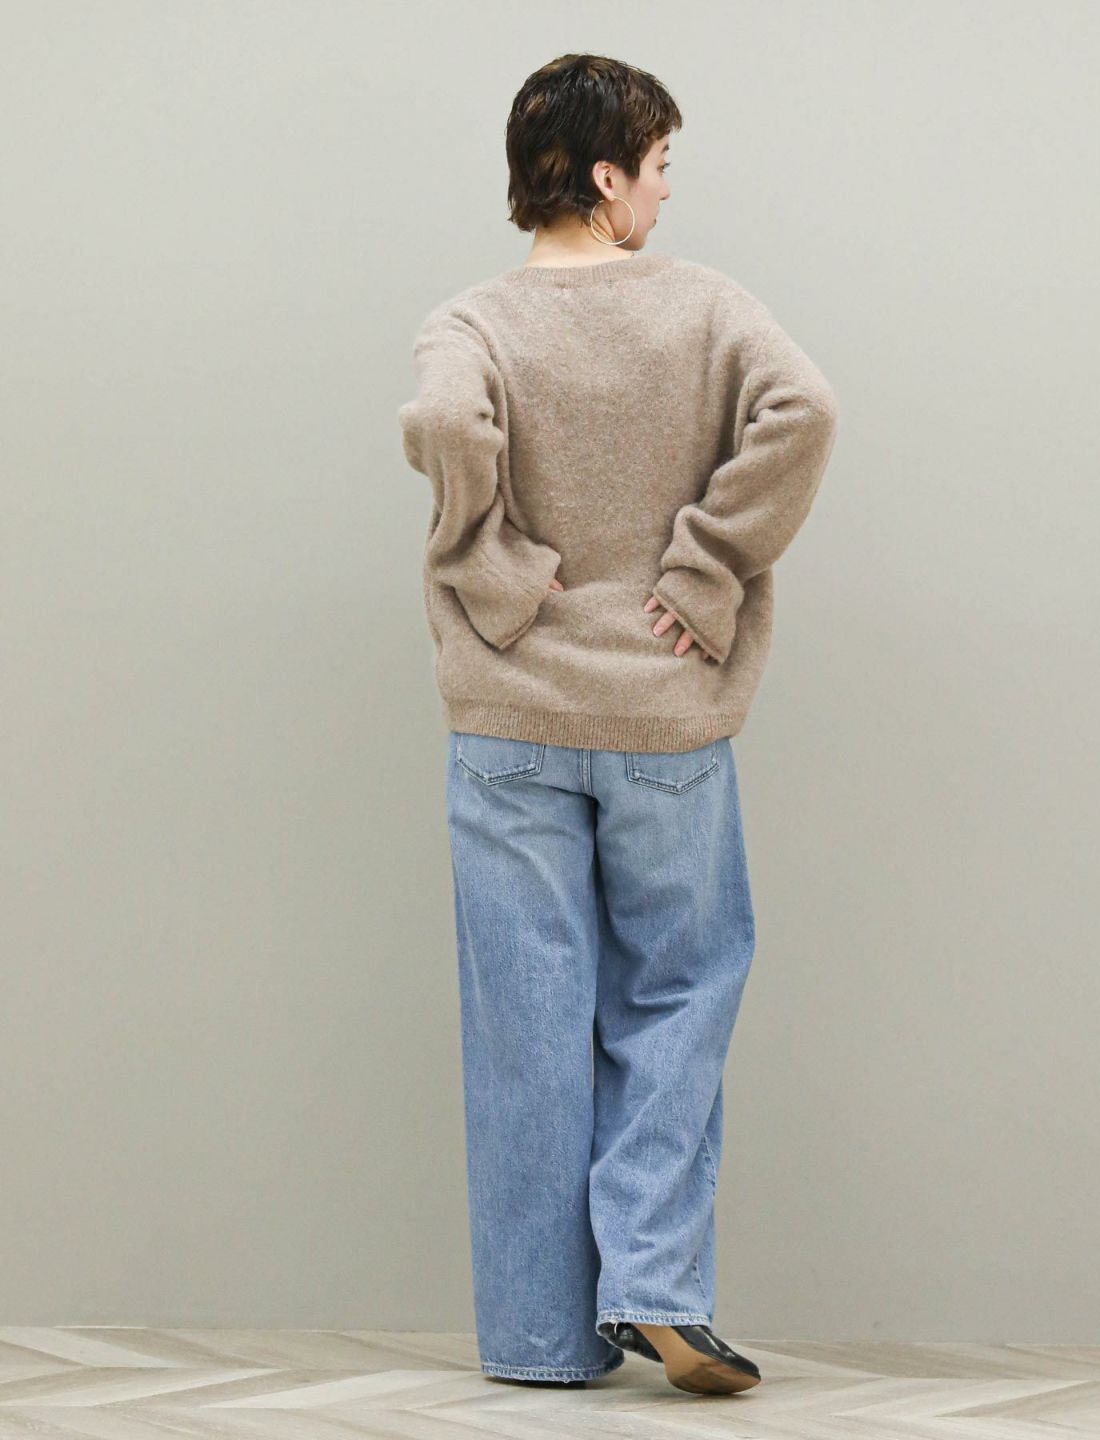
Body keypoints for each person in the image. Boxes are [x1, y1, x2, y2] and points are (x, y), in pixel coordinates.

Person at [397, 53, 839, 1396]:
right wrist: (704, 573)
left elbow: (440, 420)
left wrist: (494, 576)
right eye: (656, 167)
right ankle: (653, 1283)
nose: (662, 192)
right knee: (677, 992)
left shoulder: (470, 322)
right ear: (605, 175)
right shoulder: (708, 309)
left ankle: (541, 1342)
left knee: (526, 1023)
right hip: (661, 716)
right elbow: (806, 411)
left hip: (511, 715)